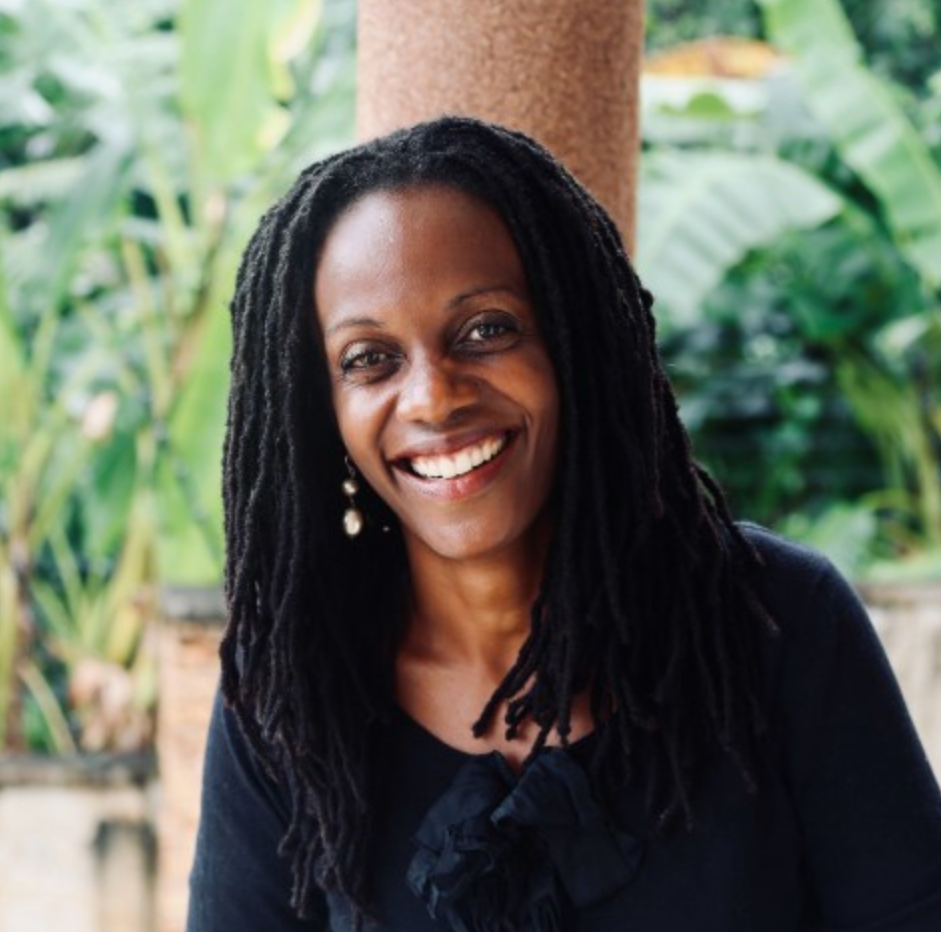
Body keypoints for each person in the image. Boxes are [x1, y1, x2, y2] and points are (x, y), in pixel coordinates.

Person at [187, 116, 941, 931]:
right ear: (318, 408)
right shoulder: (291, 695)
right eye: (370, 359)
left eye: (486, 330)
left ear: (577, 342)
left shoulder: (780, 625)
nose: (433, 398)